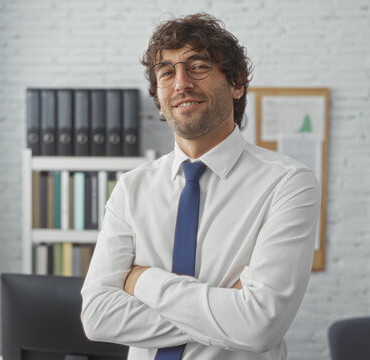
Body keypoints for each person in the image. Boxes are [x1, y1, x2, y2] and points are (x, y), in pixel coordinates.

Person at [81, 13, 320, 360]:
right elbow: (98, 317)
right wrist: (227, 314)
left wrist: (142, 280)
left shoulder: (288, 184)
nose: (181, 84)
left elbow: (260, 326)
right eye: (167, 72)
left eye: (198, 67)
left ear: (236, 83)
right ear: (159, 95)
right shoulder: (131, 189)